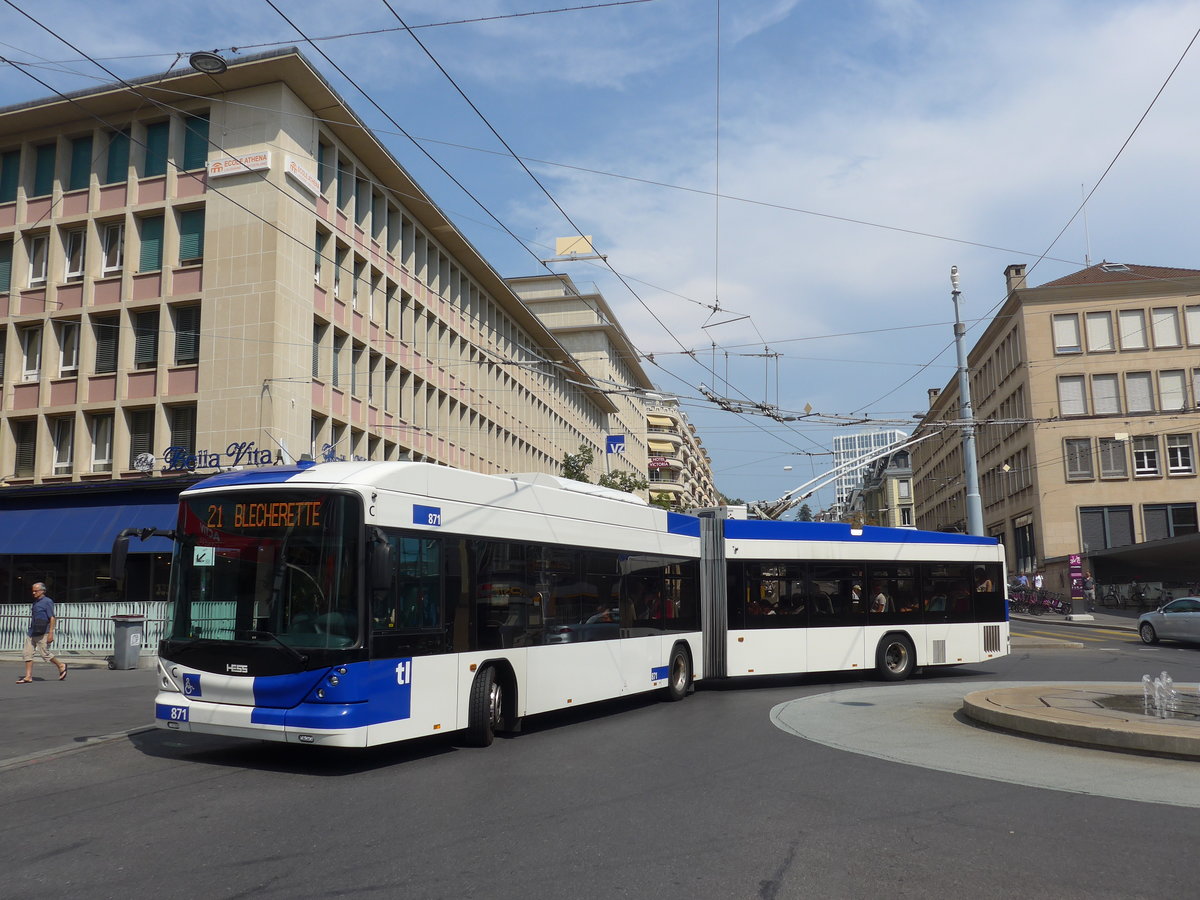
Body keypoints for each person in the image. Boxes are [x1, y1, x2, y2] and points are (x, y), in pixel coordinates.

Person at [17, 583, 68, 684]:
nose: (33, 593)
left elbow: (52, 618)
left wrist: (51, 633)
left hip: (43, 631)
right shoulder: (35, 602)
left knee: (44, 653)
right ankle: (28, 676)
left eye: (36, 591)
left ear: (42, 591)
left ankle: (61, 665)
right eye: (33, 591)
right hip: (32, 631)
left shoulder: (47, 601)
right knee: (27, 653)